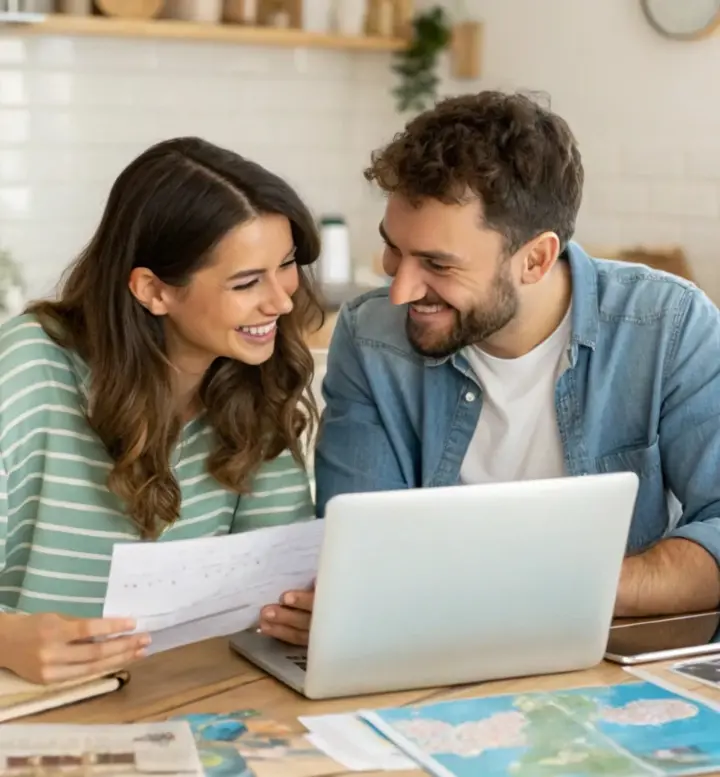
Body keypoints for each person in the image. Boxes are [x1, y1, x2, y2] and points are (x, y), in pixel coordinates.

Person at [262, 90, 720, 643]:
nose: (401, 291)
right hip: (426, 651)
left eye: (437, 264)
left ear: (536, 259)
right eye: (394, 250)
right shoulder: (371, 335)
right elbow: (362, 554)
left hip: (604, 653)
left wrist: (546, 591)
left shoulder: (668, 326)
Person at [0, 137, 322, 683]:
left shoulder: (254, 373)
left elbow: (278, 577)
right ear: (152, 289)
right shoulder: (28, 368)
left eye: (286, 264)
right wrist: (7, 641)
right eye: (247, 282)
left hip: (184, 697)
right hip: (33, 705)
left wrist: (305, 612)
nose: (282, 300)